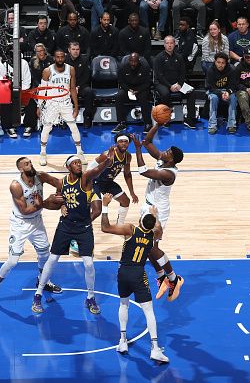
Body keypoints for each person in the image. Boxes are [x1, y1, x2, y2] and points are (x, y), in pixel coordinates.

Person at [32, 147, 115, 314]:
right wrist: (34, 179)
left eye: (79, 162)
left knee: (89, 264)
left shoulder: (85, 178)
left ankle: (90, 297)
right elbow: (45, 177)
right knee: (52, 259)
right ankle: (38, 293)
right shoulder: (61, 183)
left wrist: (108, 160)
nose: (79, 165)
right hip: (66, 225)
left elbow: (98, 169)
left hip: (84, 227)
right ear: (68, 167)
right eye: (75, 163)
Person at [100, 193, 177, 362]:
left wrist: (105, 205)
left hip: (123, 272)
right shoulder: (153, 236)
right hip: (138, 273)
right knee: (149, 310)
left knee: (124, 304)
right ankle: (155, 348)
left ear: (141, 220)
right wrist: (155, 216)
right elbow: (158, 230)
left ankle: (122, 341)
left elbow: (105, 227)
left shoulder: (130, 229)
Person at [0, 157, 66, 309]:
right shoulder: (16, 185)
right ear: (21, 169)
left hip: (37, 221)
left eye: (30, 162)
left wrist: (58, 198)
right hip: (20, 224)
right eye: (26, 164)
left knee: (44, 255)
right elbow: (25, 210)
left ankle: (42, 280)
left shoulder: (40, 176)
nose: (31, 165)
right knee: (13, 261)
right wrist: (45, 202)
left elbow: (60, 183)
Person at [132, 130, 184, 301]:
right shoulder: (163, 161)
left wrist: (138, 150)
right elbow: (148, 142)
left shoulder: (168, 174)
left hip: (157, 212)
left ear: (172, 160)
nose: (164, 152)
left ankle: (174, 278)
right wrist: (158, 124)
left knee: (151, 247)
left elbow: (143, 171)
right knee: (147, 248)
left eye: (168, 152)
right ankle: (162, 276)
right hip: (147, 207)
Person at [38, 49, 86, 166]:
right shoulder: (47, 71)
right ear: (54, 58)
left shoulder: (71, 69)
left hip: (65, 102)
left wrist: (76, 106)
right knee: (47, 127)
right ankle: (43, 153)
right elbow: (42, 90)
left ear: (65, 57)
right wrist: (40, 106)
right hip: (52, 103)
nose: (60, 59)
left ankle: (80, 152)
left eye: (62, 57)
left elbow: (73, 88)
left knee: (73, 127)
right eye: (57, 57)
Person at [88, 133, 139, 223]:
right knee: (97, 211)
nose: (123, 143)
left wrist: (132, 192)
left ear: (128, 143)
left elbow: (127, 174)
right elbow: (90, 167)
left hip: (108, 183)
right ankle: (82, 227)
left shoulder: (128, 156)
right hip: (96, 182)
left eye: (126, 142)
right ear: (116, 143)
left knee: (125, 201)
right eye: (121, 141)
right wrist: (86, 182)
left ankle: (119, 224)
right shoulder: (106, 154)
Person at [153, 35, 198, 129]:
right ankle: (166, 118)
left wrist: (179, 84)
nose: (169, 45)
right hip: (163, 83)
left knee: (191, 92)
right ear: (164, 45)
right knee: (165, 93)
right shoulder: (159, 58)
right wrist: (170, 86)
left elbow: (182, 73)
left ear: (175, 44)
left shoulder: (179, 57)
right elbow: (159, 76)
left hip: (177, 83)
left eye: (171, 43)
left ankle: (190, 119)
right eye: (167, 43)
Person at [114, 52, 153, 133]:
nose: (133, 63)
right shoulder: (123, 67)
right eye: (131, 61)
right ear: (129, 60)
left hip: (141, 88)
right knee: (118, 96)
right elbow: (121, 81)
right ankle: (121, 123)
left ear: (138, 61)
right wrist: (128, 89)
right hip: (128, 89)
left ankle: (148, 123)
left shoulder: (145, 67)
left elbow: (148, 82)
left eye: (135, 61)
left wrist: (138, 90)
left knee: (143, 98)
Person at [65, 41, 95, 129]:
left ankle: (87, 117)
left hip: (81, 86)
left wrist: (78, 87)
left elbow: (87, 76)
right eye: (73, 49)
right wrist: (71, 88)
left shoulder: (85, 59)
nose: (75, 51)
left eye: (77, 49)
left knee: (89, 92)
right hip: (68, 87)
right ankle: (65, 118)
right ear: (69, 50)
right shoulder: (64, 60)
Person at [206, 52, 237, 134]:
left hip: (227, 90)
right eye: (218, 62)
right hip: (214, 91)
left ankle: (231, 125)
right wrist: (221, 94)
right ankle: (212, 125)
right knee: (214, 98)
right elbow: (209, 87)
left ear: (226, 63)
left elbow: (234, 86)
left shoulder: (231, 69)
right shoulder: (210, 70)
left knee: (233, 98)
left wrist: (227, 92)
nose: (220, 65)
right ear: (215, 62)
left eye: (223, 63)